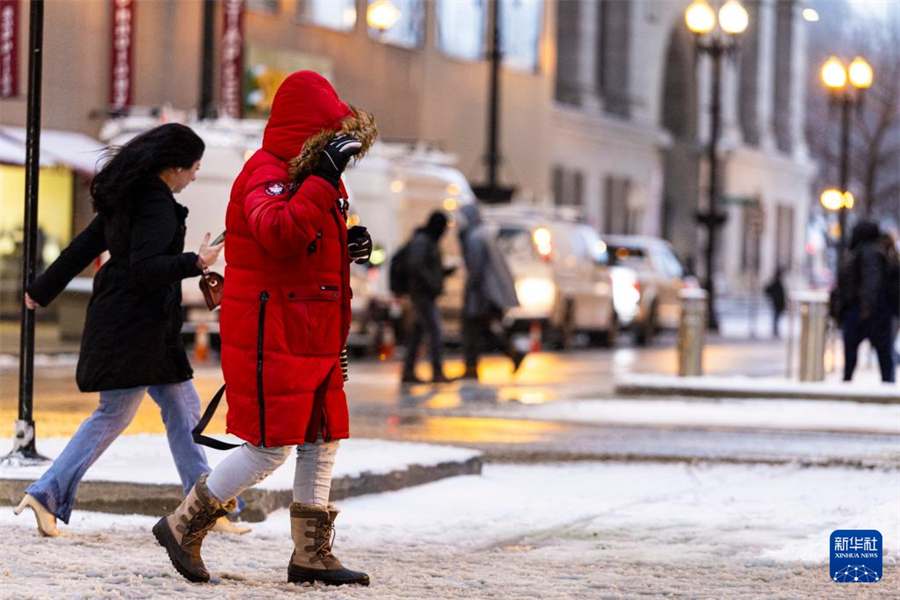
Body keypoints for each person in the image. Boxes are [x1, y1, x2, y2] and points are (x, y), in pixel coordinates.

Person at [153, 71, 377, 587]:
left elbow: (305, 241)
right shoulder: (266, 173)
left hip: (314, 331)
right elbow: (277, 233)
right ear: (308, 131)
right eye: (327, 135)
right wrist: (321, 180)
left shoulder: (314, 174)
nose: (334, 147)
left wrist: (346, 244)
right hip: (272, 333)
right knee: (269, 445)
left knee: (323, 439)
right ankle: (184, 524)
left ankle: (311, 555)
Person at [14, 124, 246, 536]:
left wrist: (41, 289)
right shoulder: (155, 204)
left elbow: (81, 248)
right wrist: (195, 261)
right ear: (174, 167)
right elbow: (145, 269)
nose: (194, 175)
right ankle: (47, 492)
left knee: (183, 410)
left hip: (140, 326)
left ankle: (205, 507)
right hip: (137, 329)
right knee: (114, 414)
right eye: (194, 167)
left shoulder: (128, 198)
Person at [457, 203, 525, 379]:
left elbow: (476, 269)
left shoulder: (475, 237)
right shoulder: (483, 234)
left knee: (473, 330)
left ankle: (472, 367)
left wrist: (470, 291)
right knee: (484, 330)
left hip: (482, 294)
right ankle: (510, 352)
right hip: (490, 293)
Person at [836, 220, 896, 383]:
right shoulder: (877, 251)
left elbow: (872, 280)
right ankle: (886, 383)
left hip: (866, 311)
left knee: (857, 352)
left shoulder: (868, 252)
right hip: (872, 310)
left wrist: (866, 308)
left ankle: (849, 381)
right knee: (884, 354)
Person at [401, 211, 455, 384]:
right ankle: (437, 372)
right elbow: (416, 265)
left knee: (417, 333)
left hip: (423, 293)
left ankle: (408, 371)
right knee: (436, 332)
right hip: (422, 294)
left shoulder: (426, 240)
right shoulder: (423, 241)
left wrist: (442, 273)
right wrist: (432, 282)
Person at [764, 266, 787, 339]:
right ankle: (775, 331)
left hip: (777, 304)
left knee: (776, 318)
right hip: (777, 304)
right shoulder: (777, 283)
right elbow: (767, 290)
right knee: (776, 318)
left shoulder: (778, 282)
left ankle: (775, 330)